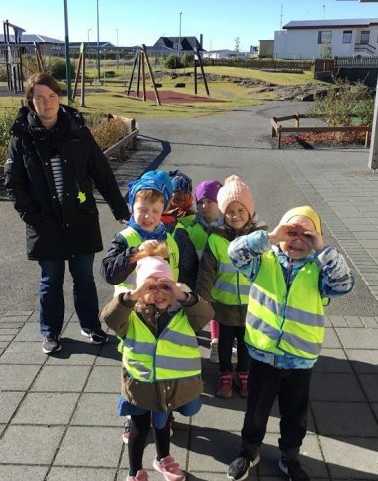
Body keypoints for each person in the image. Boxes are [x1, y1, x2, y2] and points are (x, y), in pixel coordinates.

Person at [226, 206, 355, 481]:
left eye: (306, 235)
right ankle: (249, 451)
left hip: (300, 358)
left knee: (295, 414)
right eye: (291, 232)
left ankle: (290, 457)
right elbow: (234, 252)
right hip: (263, 353)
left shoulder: (319, 269)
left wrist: (322, 250)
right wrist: (271, 237)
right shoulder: (263, 261)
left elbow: (344, 284)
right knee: (256, 411)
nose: (297, 240)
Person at [4, 73, 129, 354]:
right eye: (39, 98)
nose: (47, 103)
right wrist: (32, 217)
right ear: (31, 102)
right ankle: (50, 332)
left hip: (80, 217)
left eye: (51, 96)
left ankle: (90, 325)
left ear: (58, 98)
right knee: (51, 280)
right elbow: (13, 184)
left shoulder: (77, 131)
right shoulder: (21, 137)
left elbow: (100, 172)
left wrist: (120, 209)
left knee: (83, 277)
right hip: (44, 222)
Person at [101, 242, 214, 481]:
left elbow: (206, 314)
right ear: (141, 290)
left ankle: (163, 458)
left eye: (165, 286)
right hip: (140, 386)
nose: (159, 292)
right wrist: (132, 296)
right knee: (139, 430)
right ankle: (134, 471)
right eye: (150, 287)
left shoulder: (183, 313)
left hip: (170, 387)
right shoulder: (131, 316)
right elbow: (109, 318)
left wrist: (182, 295)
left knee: (163, 426)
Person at [196, 176, 267, 399]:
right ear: (223, 214)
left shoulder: (260, 238)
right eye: (230, 212)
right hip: (223, 303)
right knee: (225, 343)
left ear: (250, 211)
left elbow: (269, 270)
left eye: (240, 210)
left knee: (247, 343)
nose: (235, 216)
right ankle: (225, 374)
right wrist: (202, 299)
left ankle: (244, 374)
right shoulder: (216, 238)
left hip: (251, 304)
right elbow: (207, 271)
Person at [187, 180, 222, 363]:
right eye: (200, 202)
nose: (204, 206)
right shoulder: (192, 230)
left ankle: (218, 343)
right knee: (201, 310)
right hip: (200, 279)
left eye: (210, 201)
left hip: (223, 279)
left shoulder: (227, 227)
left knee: (221, 313)